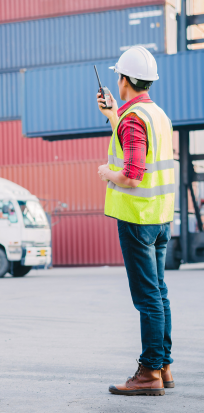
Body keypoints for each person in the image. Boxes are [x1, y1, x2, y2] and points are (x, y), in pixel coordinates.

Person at [96, 46, 175, 396]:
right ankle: (165, 366)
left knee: (147, 299)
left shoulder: (133, 120)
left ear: (124, 79)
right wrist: (114, 114)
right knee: (159, 294)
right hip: (159, 218)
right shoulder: (156, 115)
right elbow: (134, 140)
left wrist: (107, 173)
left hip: (137, 220)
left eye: (118, 75)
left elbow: (131, 175)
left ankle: (150, 373)